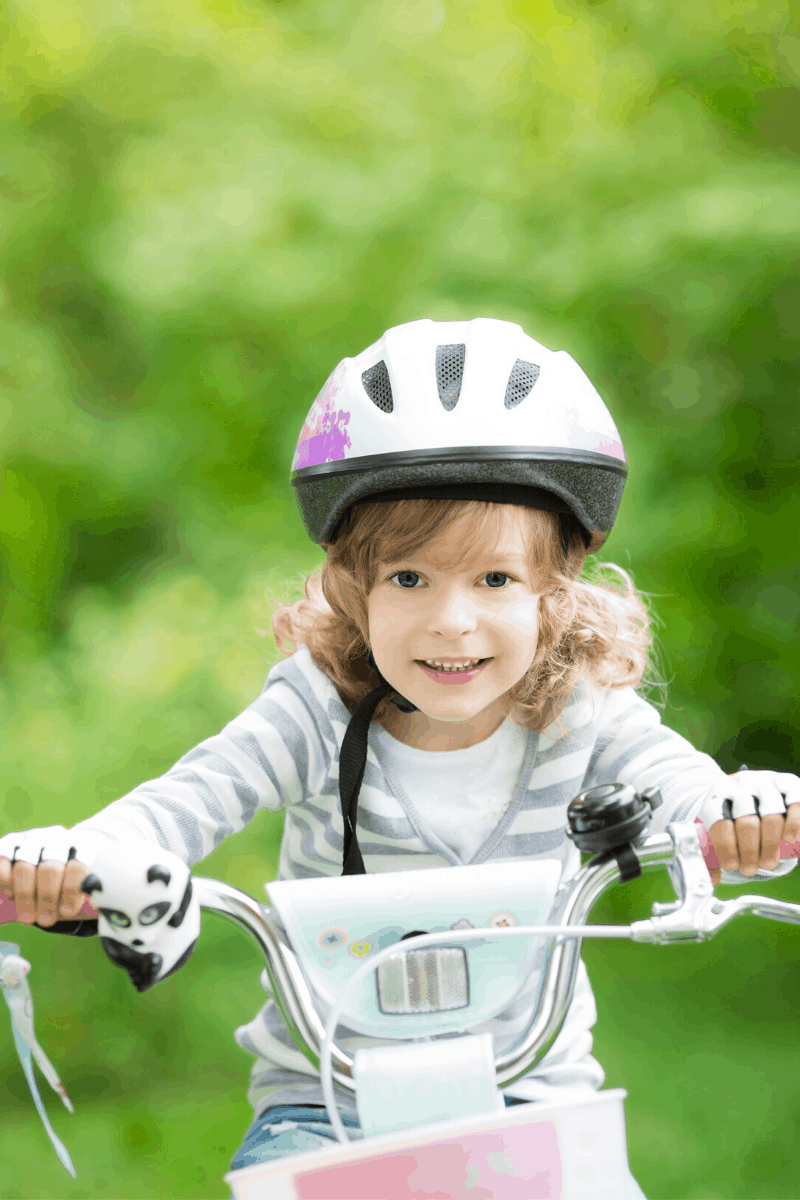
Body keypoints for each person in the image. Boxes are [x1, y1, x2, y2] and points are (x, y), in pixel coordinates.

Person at [1, 318, 798, 1197]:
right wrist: (83, 857)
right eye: (410, 579)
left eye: (494, 581)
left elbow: (685, 787)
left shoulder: (584, 715)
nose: (451, 621)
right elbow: (189, 799)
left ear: (554, 594)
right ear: (353, 587)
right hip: (324, 1101)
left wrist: (740, 812)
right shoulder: (315, 707)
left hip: (532, 1091)